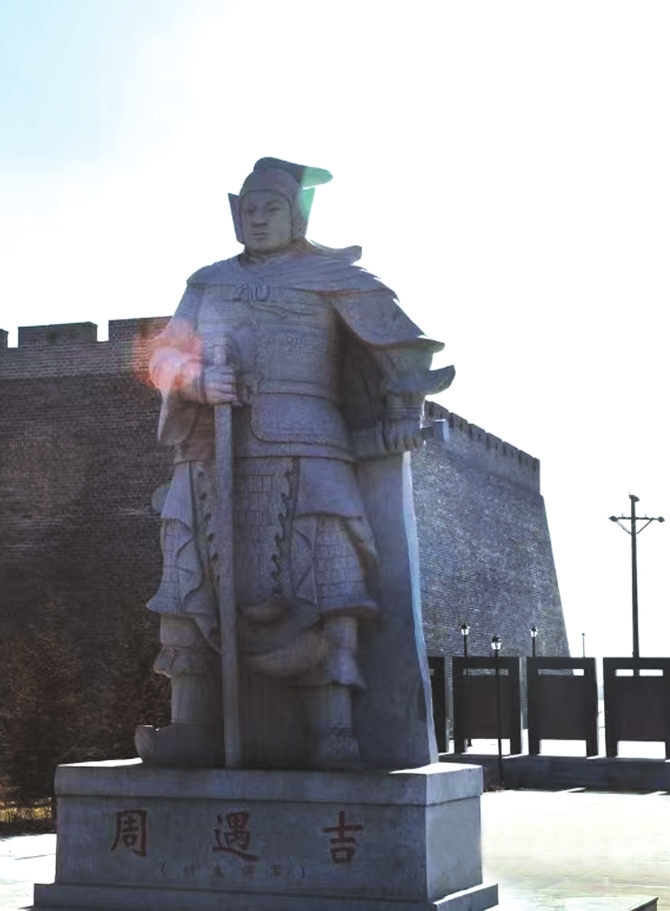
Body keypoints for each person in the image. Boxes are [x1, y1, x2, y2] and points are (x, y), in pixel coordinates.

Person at [136, 158, 452, 770]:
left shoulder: (334, 276)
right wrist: (198, 382)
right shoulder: (207, 282)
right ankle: (191, 724)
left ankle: (334, 729)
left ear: (297, 216)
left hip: (310, 449)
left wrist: (401, 411)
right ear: (236, 215)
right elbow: (164, 358)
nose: (259, 219)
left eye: (272, 208)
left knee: (328, 582)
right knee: (188, 577)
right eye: (250, 209)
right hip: (211, 454)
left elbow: (407, 352)